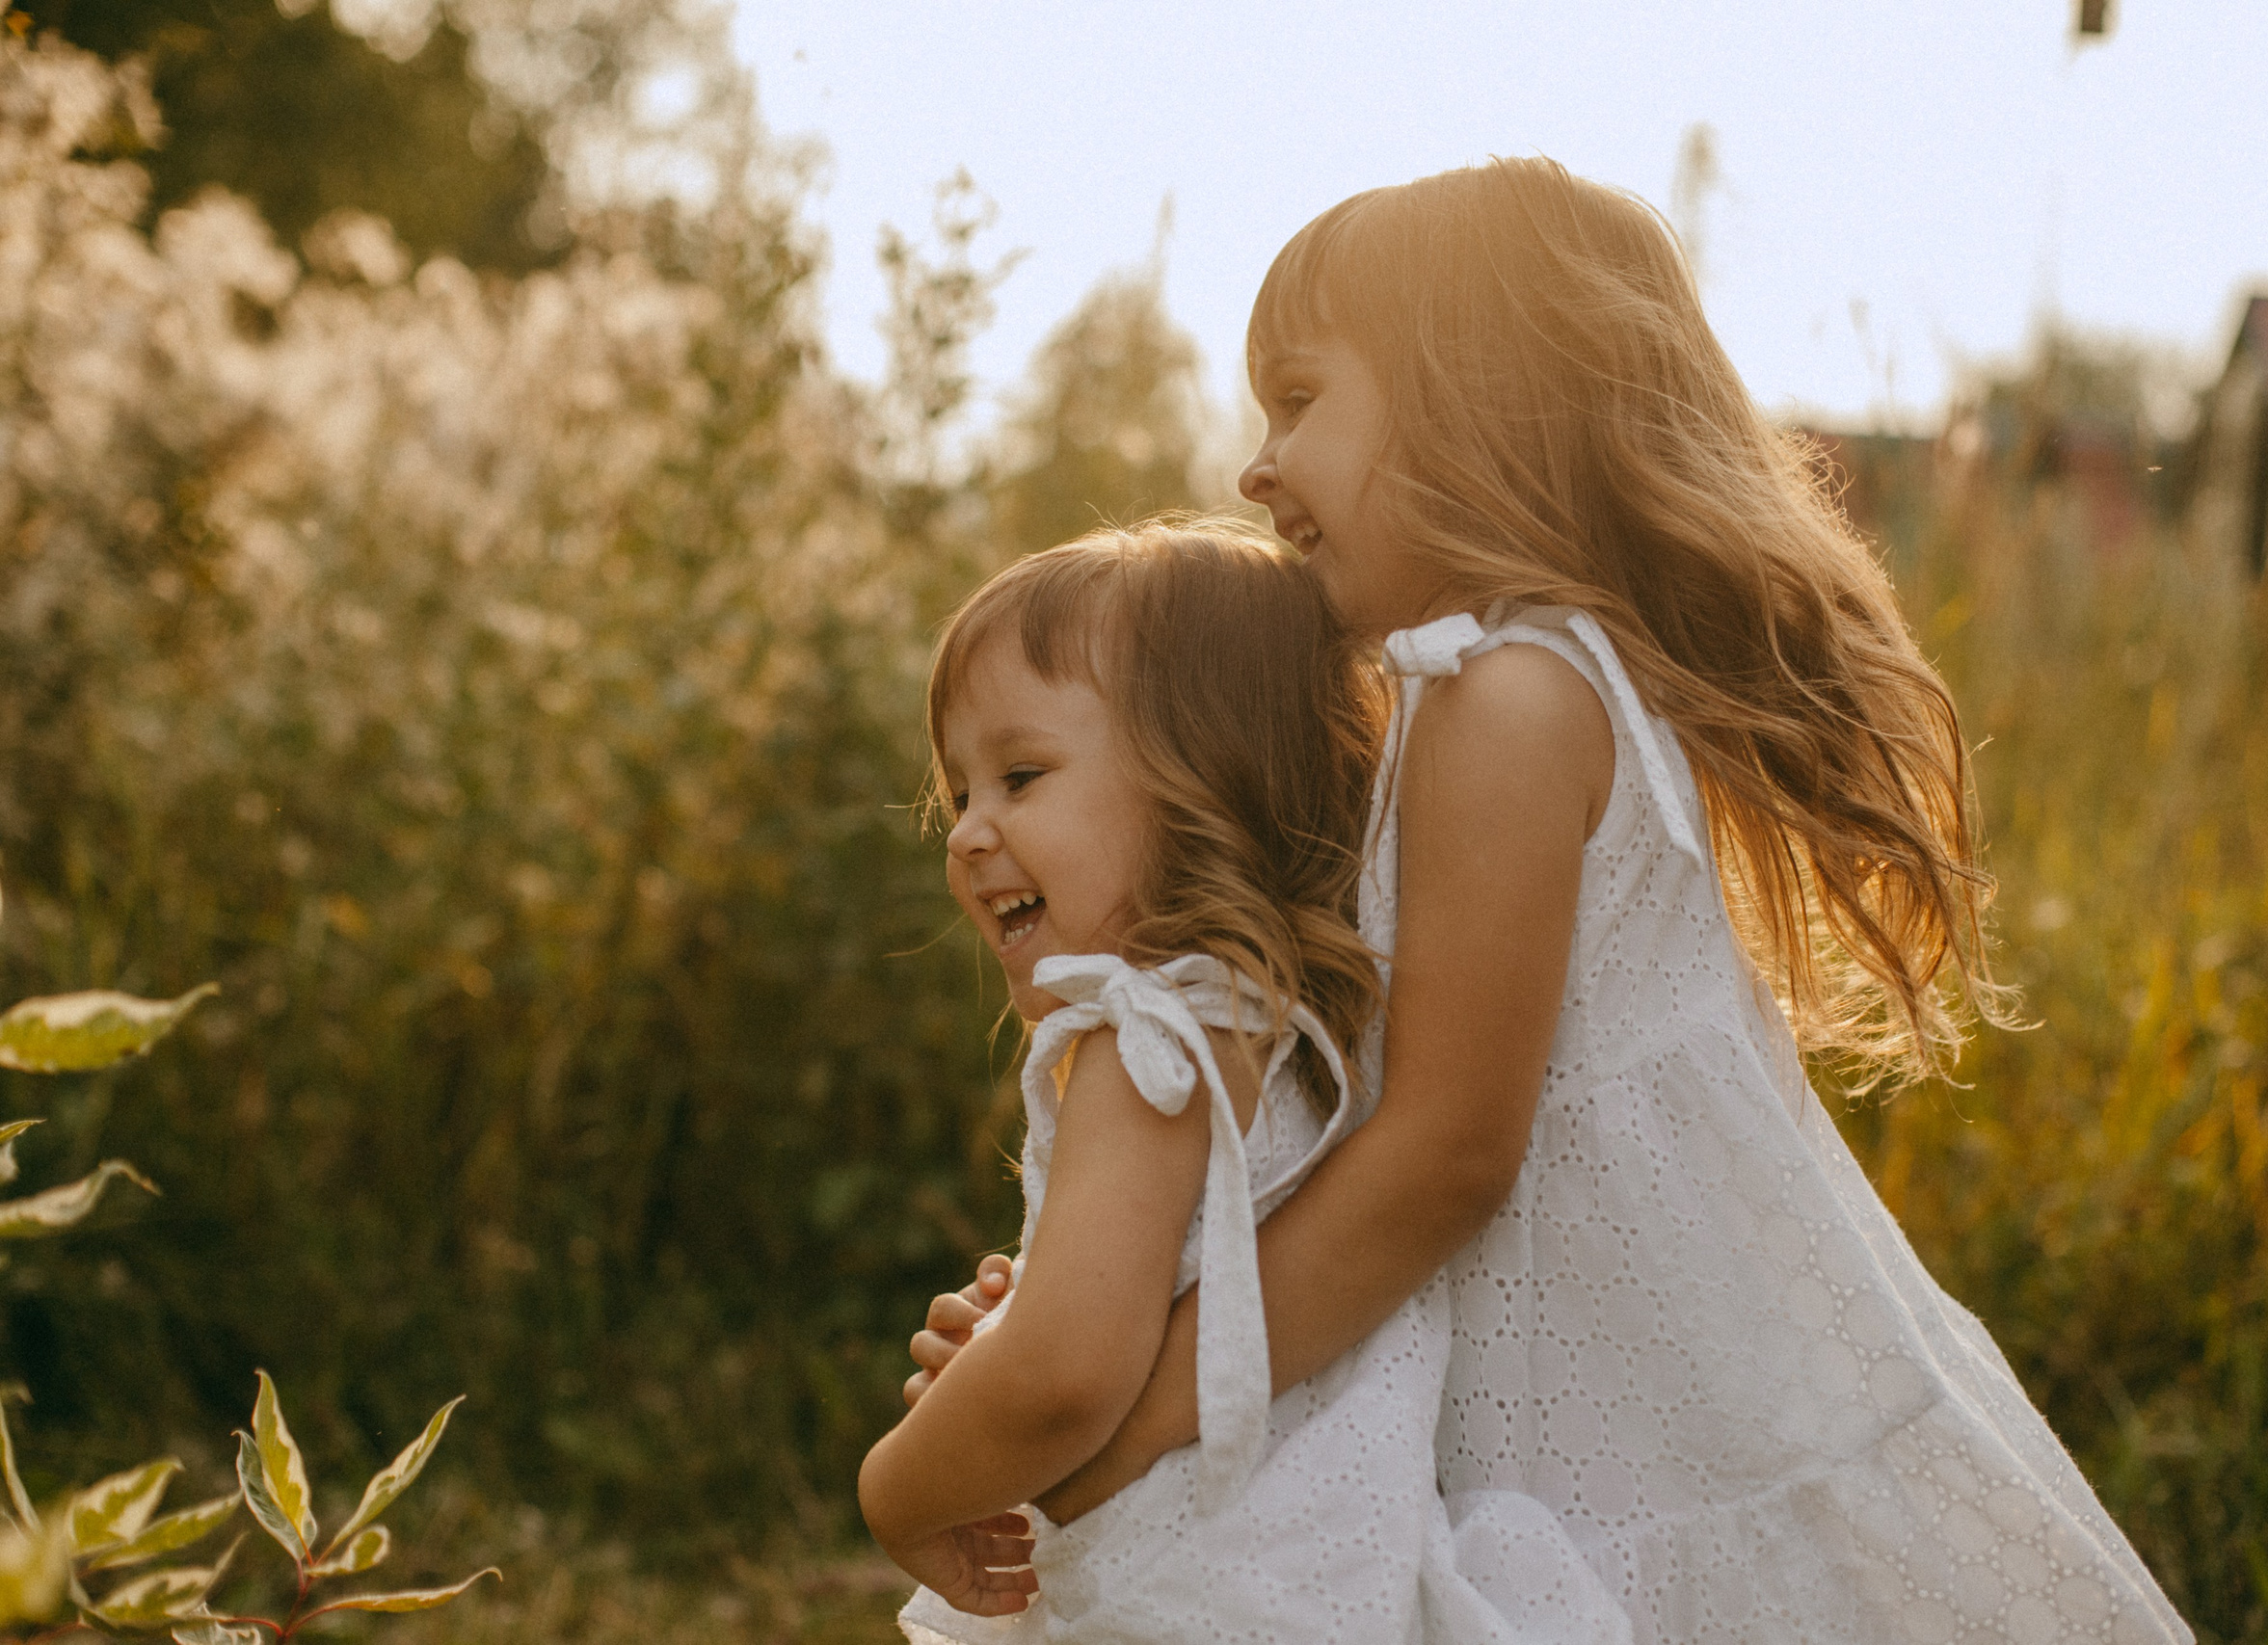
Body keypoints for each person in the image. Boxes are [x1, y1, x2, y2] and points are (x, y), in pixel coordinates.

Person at [912, 159, 2193, 1643]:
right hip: (1538, 1406)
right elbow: (1322, 1106)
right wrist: (1081, 1306)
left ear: (1473, 401)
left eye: (1301, 402)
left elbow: (1444, 1152)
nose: (1258, 469)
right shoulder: (1462, 695)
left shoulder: (1511, 698)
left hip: (1655, 1424)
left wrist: (1125, 1415)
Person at [864, 523, 1631, 1643]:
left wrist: (903, 1483)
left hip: (1177, 1594)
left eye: (1020, 777)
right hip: (1323, 1582)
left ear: (1199, 781)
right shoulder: (1304, 1034)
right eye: (961, 792)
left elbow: (1066, 1379)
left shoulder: (1147, 1051)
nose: (970, 834)